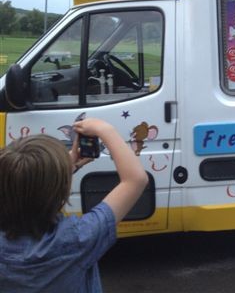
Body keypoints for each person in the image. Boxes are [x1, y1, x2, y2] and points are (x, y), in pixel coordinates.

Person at [0, 118, 148, 292]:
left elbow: (21, 186)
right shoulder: (77, 238)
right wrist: (105, 129)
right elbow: (135, 179)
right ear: (62, 191)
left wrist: (64, 169)